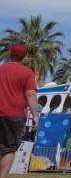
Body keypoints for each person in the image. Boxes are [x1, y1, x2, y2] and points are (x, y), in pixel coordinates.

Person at [0, 44, 38, 178]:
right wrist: (35, 115)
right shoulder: (27, 73)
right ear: (24, 57)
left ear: (10, 53)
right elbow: (31, 95)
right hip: (14, 115)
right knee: (9, 149)